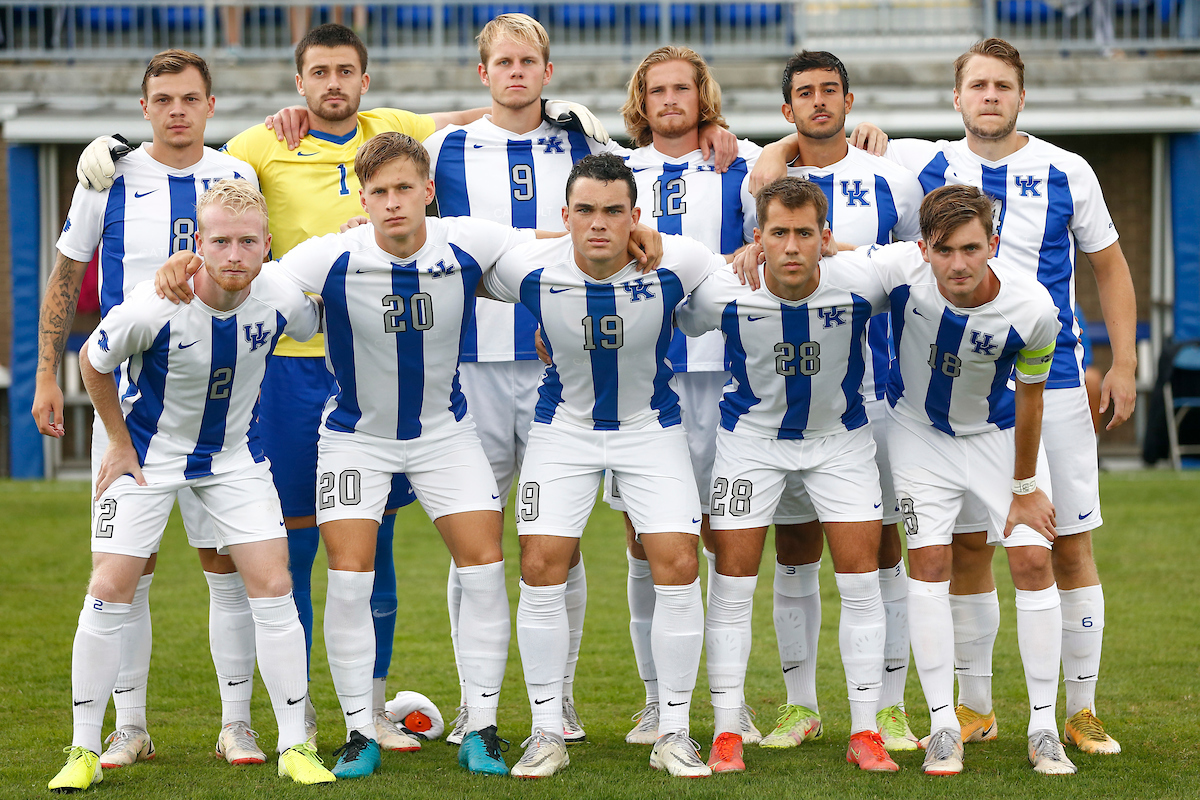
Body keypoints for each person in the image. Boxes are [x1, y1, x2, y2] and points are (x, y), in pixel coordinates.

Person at [879, 39, 1134, 756]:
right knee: (964, 547)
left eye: (1003, 86)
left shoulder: (1067, 170)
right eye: (977, 86)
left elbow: (1109, 267)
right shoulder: (917, 162)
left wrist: (1123, 362)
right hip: (957, 391)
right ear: (956, 98)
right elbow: (815, 153)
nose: (989, 96)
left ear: (1021, 97)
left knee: (1065, 542)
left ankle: (1079, 709)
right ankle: (975, 707)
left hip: (1049, 383)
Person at [48, 179, 334, 791]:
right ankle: (81, 749)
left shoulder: (283, 295)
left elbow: (330, 305)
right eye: (222, 241)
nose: (235, 254)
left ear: (267, 246)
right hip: (149, 457)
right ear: (197, 244)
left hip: (234, 459)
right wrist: (119, 443)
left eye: (248, 242)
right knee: (110, 584)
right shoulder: (155, 304)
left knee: (273, 583)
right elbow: (92, 363)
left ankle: (293, 744)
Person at [34, 50, 270, 770]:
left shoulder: (237, 177)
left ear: (210, 104)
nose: (176, 110)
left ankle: (237, 724)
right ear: (143, 109)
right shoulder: (108, 175)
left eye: (189, 98)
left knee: (224, 564)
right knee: (125, 572)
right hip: (129, 410)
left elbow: (260, 269)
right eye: (162, 98)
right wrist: (47, 374)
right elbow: (68, 272)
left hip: (217, 402)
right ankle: (128, 727)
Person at [481, 153, 726, 778]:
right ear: (564, 216)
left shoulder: (679, 265)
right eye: (585, 210)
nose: (598, 223)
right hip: (564, 430)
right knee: (540, 564)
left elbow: (732, 268)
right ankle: (545, 732)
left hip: (650, 429)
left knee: (676, 560)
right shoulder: (531, 270)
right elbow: (458, 258)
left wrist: (670, 243)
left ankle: (674, 731)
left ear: (635, 217)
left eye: (614, 211)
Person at [420, 14, 610, 745]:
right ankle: (477, 700)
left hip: (562, 367)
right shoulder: (447, 147)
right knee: (476, 541)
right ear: (483, 73)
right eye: (503, 62)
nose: (517, 72)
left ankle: (556, 699)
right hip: (468, 366)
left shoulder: (584, 143)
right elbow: (383, 143)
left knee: (556, 538)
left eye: (528, 61)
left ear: (547, 69)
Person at [677, 177, 900, 774]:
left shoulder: (863, 280)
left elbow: (927, 262)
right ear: (759, 239)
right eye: (780, 233)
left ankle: (865, 730)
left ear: (826, 239)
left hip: (840, 443)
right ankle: (727, 731)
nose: (793, 245)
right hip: (750, 445)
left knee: (861, 581)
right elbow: (656, 312)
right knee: (732, 583)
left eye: (806, 233)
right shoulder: (722, 290)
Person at [739, 51, 925, 753]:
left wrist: (840, 254)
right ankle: (801, 705)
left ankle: (891, 706)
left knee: (879, 547)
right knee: (795, 544)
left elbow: (917, 265)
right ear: (787, 111)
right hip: (789, 397)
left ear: (850, 99)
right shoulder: (763, 176)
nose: (818, 103)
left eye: (829, 91)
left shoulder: (891, 177)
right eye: (804, 95)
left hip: (877, 390)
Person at [862, 184, 1072, 776]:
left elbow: (1032, 401)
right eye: (945, 249)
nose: (958, 264)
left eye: (972, 249)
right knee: (928, 565)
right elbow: (835, 260)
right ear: (924, 248)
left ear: (993, 245)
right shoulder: (902, 270)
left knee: (1033, 561)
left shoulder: (1033, 309)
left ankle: (1043, 727)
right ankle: (943, 727)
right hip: (918, 435)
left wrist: (1025, 488)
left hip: (997, 439)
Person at [613, 44, 761, 747]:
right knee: (646, 541)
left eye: (683, 89)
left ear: (705, 97)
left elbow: (802, 184)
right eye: (657, 90)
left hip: (730, 376)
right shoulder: (617, 172)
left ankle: (732, 704)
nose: (670, 99)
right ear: (640, 102)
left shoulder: (742, 160)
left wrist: (781, 142)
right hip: (647, 378)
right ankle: (654, 702)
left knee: (725, 539)